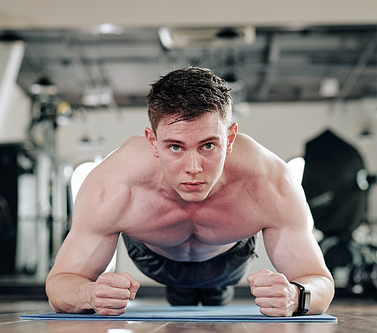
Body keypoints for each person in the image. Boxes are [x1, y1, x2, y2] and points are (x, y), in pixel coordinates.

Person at [45, 67, 334, 317]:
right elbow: (61, 282)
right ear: (152, 142)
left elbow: (319, 280)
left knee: (215, 301)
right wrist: (90, 294)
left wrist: (296, 296)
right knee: (180, 296)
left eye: (208, 145)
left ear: (230, 138)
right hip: (155, 259)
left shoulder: (271, 181)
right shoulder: (113, 185)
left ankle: (214, 292)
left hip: (227, 260)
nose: (193, 168)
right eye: (175, 147)